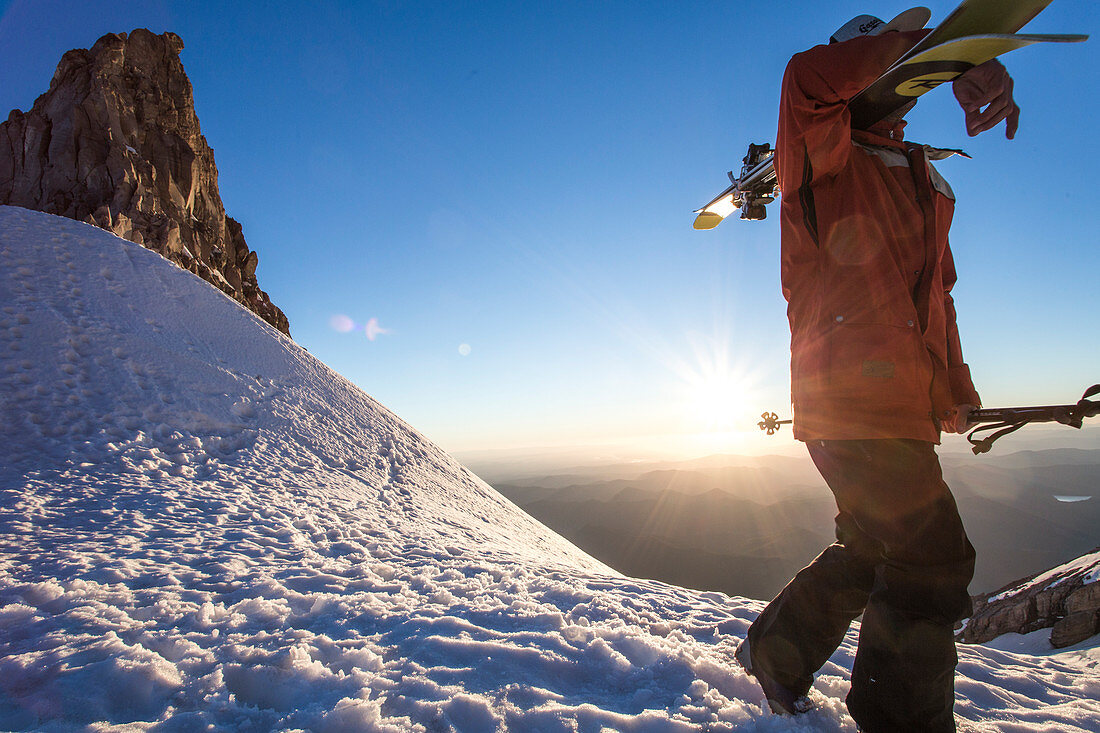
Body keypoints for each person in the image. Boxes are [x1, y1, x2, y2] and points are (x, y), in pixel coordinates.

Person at [735, 8, 1019, 732]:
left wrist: (953, 390)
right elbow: (808, 78)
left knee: (870, 547)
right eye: (864, 48)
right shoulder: (820, 153)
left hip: (892, 408)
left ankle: (775, 653)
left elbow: (935, 300)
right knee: (932, 557)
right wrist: (948, 54)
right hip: (847, 402)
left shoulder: (927, 180)